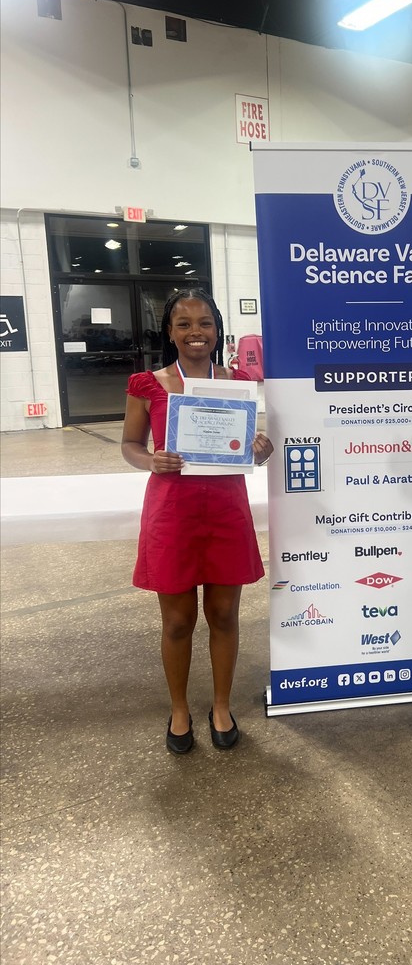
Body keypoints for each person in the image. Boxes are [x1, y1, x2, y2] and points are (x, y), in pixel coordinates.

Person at [122, 288, 273, 755]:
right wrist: (151, 461)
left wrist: (260, 450)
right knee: (177, 621)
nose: (195, 332)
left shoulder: (236, 382)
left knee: (224, 615)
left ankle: (221, 706)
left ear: (217, 330)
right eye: (184, 324)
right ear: (169, 332)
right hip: (173, 513)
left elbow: (246, 447)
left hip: (226, 510)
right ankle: (180, 709)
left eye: (205, 323)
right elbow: (129, 445)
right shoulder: (147, 384)